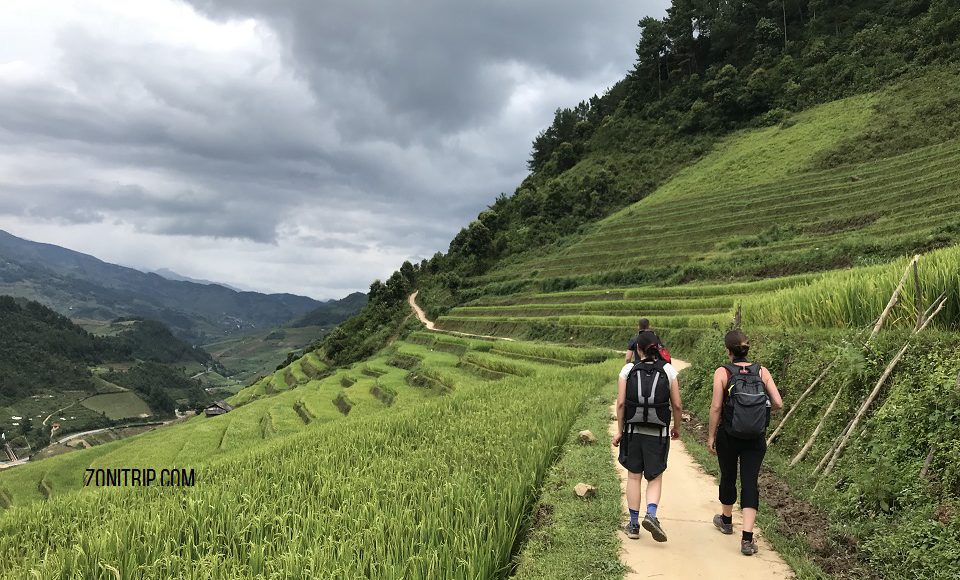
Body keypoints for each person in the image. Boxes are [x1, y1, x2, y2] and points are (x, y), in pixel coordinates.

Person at [707, 330, 783, 556]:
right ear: (747, 350)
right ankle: (747, 539)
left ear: (728, 350)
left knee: (728, 475)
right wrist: (757, 412)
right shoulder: (761, 371)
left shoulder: (723, 372)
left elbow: (716, 407)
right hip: (755, 438)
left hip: (729, 435)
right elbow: (777, 402)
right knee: (750, 482)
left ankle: (727, 520)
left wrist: (711, 436)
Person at [613, 331, 683, 542]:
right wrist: (676, 428)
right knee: (655, 476)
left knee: (634, 476)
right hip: (658, 433)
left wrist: (620, 430)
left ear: (638, 349)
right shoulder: (669, 370)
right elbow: (677, 405)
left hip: (633, 431)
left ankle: (633, 525)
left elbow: (621, 404)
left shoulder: (628, 369)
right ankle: (651, 515)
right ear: (658, 348)